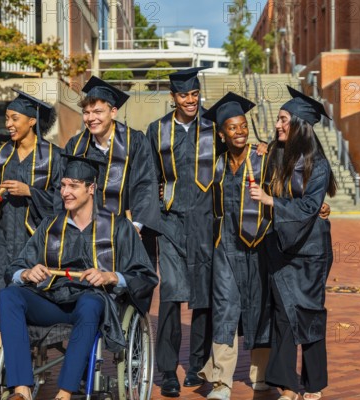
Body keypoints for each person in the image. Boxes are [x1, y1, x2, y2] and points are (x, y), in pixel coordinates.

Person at [0, 154, 159, 400]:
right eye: (63, 185)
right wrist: (27, 273)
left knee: (91, 302)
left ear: (91, 188)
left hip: (92, 304)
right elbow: (15, 267)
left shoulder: (118, 228)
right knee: (9, 296)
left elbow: (146, 276)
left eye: (73, 186)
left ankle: (64, 393)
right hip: (52, 301)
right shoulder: (51, 227)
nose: (65, 192)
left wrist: (111, 277)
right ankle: (21, 389)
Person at [249, 86, 337, 400]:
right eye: (278, 119)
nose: (277, 124)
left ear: (299, 124)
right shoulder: (276, 155)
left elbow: (308, 208)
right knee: (283, 313)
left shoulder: (319, 166)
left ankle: (314, 385)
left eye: (284, 119)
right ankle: (286, 385)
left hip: (310, 252)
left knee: (310, 313)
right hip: (280, 248)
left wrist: (271, 200)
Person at [0, 89, 61, 390]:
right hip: (6, 239)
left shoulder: (52, 157)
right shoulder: (0, 155)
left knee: (31, 301)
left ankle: (33, 362)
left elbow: (64, 201)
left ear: (32, 121)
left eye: (14, 118)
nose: (8, 124)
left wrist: (31, 192)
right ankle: (4, 368)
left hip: (38, 242)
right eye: (7, 119)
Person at [145, 67, 220, 397]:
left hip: (207, 222)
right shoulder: (157, 130)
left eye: (194, 94)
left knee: (203, 295)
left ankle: (198, 364)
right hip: (172, 222)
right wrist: (149, 214)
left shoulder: (215, 125)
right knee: (172, 295)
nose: (190, 100)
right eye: (183, 95)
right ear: (173, 97)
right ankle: (167, 370)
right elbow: (148, 176)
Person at [197, 92, 272, 400]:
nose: (240, 131)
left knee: (261, 306)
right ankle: (221, 382)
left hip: (260, 246)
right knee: (225, 310)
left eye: (243, 125)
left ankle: (261, 374)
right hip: (225, 247)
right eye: (232, 127)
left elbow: (290, 183)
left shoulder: (265, 157)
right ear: (221, 133)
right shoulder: (216, 165)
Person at [63, 76, 159, 236]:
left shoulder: (134, 141)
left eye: (98, 112)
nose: (91, 118)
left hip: (124, 230)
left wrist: (135, 226)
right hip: (83, 231)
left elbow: (145, 184)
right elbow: (63, 187)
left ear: (113, 112)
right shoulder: (75, 146)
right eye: (86, 113)